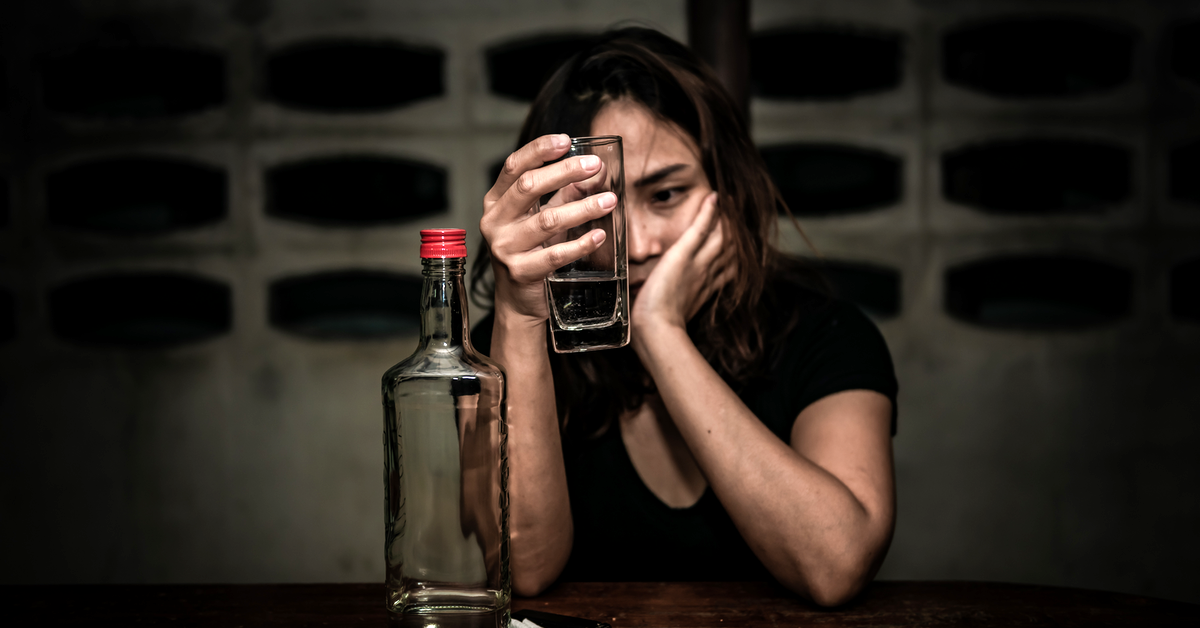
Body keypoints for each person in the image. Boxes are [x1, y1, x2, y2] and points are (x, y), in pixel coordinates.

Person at [473, 27, 898, 607]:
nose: (640, 243)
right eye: (604, 205)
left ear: (727, 185)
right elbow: (525, 572)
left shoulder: (825, 335)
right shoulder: (498, 349)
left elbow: (835, 565)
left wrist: (660, 332)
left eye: (666, 194)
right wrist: (519, 319)